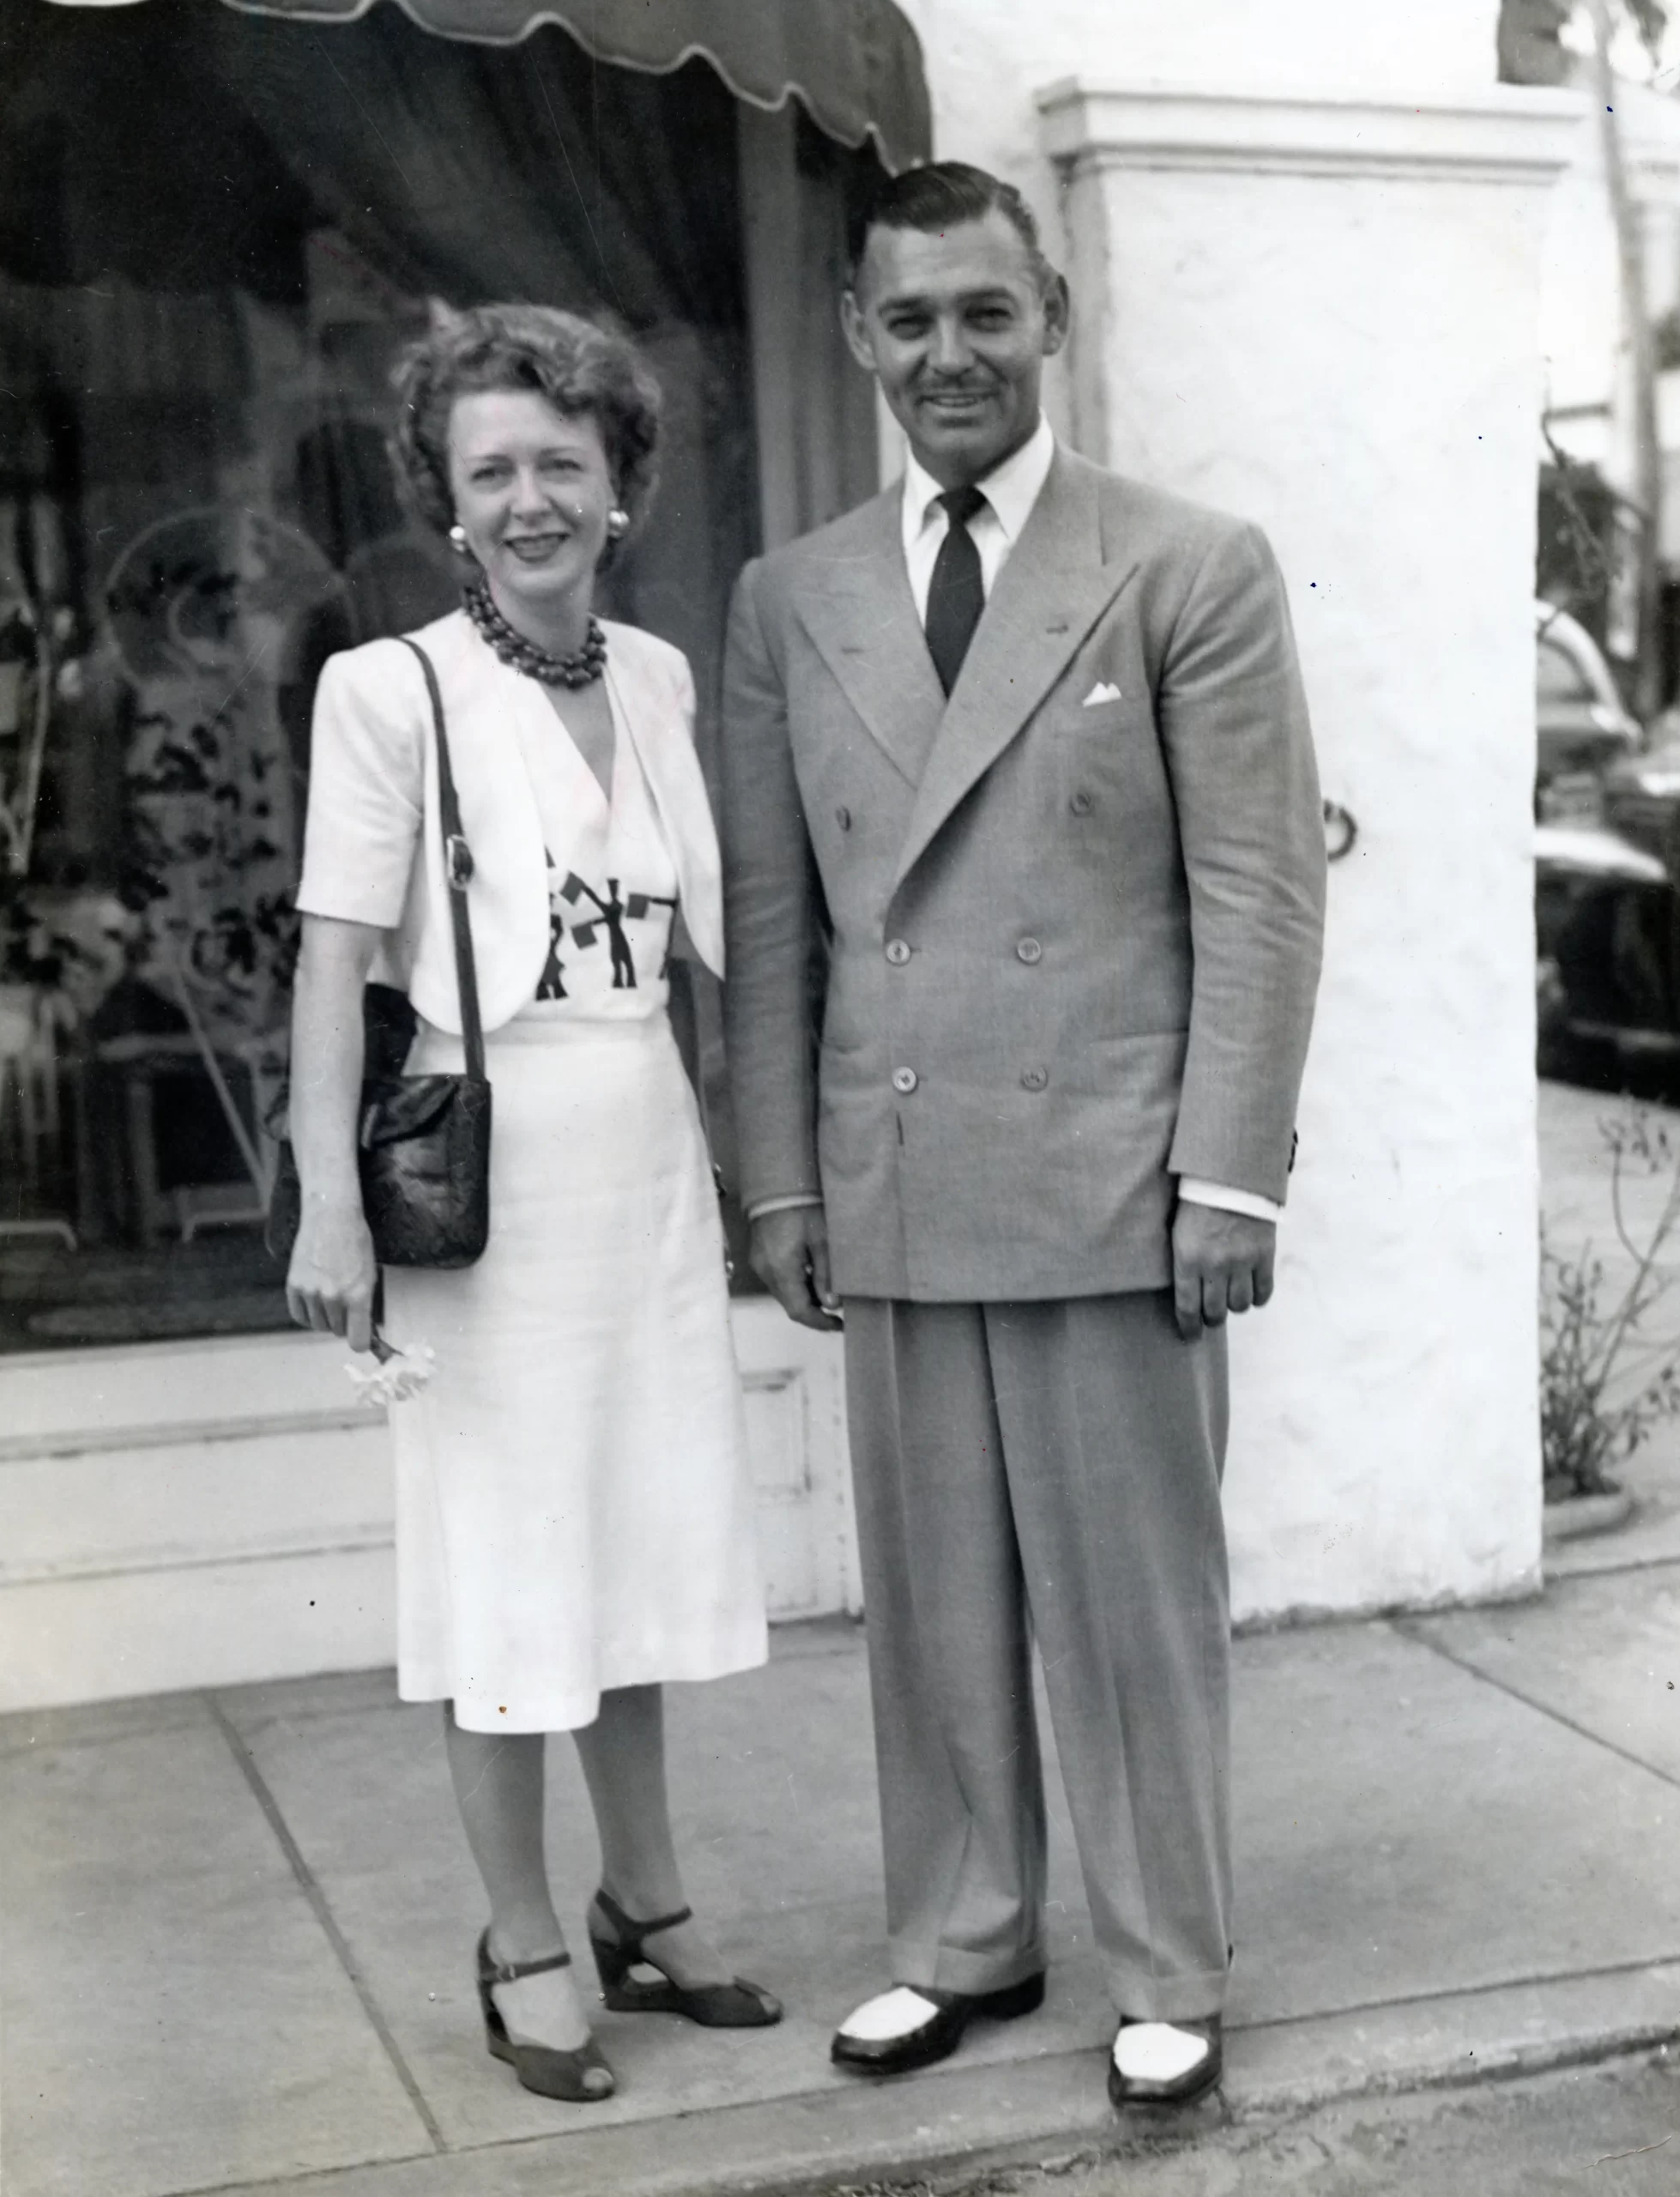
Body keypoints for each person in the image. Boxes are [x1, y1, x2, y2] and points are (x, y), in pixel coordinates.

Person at [718, 164, 1326, 2110]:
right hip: (892, 1178)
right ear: (855, 337)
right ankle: (964, 1932)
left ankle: (1168, 1951)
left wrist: (1228, 1170)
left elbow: (1259, 899)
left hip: (1114, 1180)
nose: (949, 354)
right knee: (936, 1600)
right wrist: (782, 1179)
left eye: (986, 312)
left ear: (1049, 315)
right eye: (910, 320)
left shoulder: (1186, 561)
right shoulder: (787, 593)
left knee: (1133, 1608)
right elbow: (769, 917)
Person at [285, 302, 778, 2105]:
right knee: (503, 1568)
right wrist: (326, 1200)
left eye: (561, 463)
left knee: (631, 1545)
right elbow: (336, 964)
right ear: (444, 493)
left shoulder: (650, 674)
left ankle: (646, 1899)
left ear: (622, 482)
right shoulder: (389, 688)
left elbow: (719, 937)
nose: (527, 498)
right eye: (489, 468)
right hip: (475, 1181)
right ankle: (521, 1938)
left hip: (638, 1146)